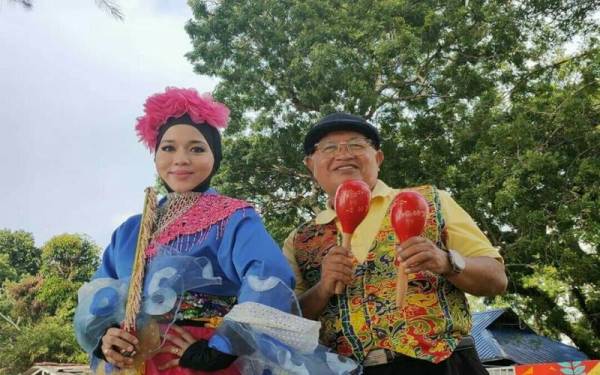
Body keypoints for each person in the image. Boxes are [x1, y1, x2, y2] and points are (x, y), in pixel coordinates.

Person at [74, 87, 297, 375]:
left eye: (197, 148)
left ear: (214, 157)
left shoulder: (235, 217)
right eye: (168, 148)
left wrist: (224, 346)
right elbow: (99, 292)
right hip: (133, 362)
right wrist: (105, 336)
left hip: (201, 357)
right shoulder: (130, 230)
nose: (181, 159)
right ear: (155, 156)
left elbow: (270, 274)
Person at [283, 112, 508, 375]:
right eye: (329, 147)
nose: (343, 154)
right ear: (311, 164)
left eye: (356, 144)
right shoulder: (300, 239)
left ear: (378, 157)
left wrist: (447, 262)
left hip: (443, 365)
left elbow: (497, 279)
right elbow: (287, 322)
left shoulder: (430, 201)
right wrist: (322, 290)